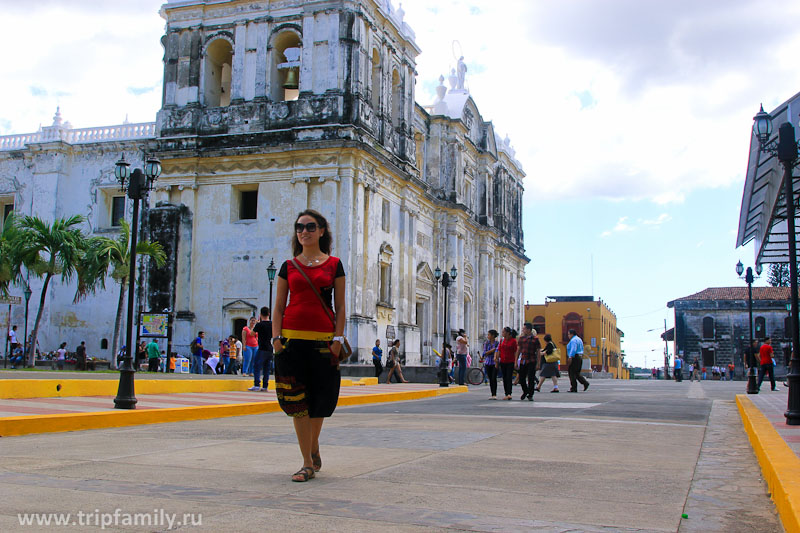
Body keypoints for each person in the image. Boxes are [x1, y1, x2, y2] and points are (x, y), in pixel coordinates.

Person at [272, 209, 346, 483]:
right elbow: (279, 306)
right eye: (300, 227)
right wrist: (276, 340)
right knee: (297, 404)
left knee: (320, 402)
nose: (304, 231)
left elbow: (340, 306)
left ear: (322, 231)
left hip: (324, 343)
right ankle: (306, 462)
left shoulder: (334, 265)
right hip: (291, 342)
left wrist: (338, 340)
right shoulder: (288, 266)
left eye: (310, 227)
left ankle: (313, 446)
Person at [250, 307, 273, 391]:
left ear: (260, 314)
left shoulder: (260, 324)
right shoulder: (272, 324)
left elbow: (252, 334)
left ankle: (256, 385)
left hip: (262, 348)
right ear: (269, 314)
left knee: (257, 366)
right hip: (270, 348)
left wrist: (256, 324)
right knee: (267, 368)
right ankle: (265, 386)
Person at [515, 323, 539, 401]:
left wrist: (538, 363)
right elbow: (518, 350)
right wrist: (516, 361)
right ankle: (525, 391)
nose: (523, 330)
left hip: (531, 360)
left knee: (531, 378)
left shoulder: (535, 339)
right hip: (523, 360)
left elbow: (538, 351)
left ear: (529, 329)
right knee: (521, 378)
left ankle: (530, 394)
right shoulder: (521, 339)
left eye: (524, 329)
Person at [497, 327, 518, 400]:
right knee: (504, 377)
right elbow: (499, 350)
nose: (502, 333)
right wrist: (497, 359)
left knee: (509, 377)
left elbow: (516, 351)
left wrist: (516, 362)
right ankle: (506, 392)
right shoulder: (502, 340)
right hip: (503, 361)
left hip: (510, 361)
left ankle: (509, 393)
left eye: (503, 332)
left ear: (508, 333)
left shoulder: (513, 341)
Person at [481, 329, 499, 399]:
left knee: (494, 377)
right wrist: (492, 350)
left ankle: (494, 393)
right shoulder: (486, 343)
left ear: (493, 336)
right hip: (488, 362)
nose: (488, 336)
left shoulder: (497, 343)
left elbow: (497, 351)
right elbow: (485, 353)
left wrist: (491, 351)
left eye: (489, 335)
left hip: (495, 362)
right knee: (490, 378)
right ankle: (493, 394)